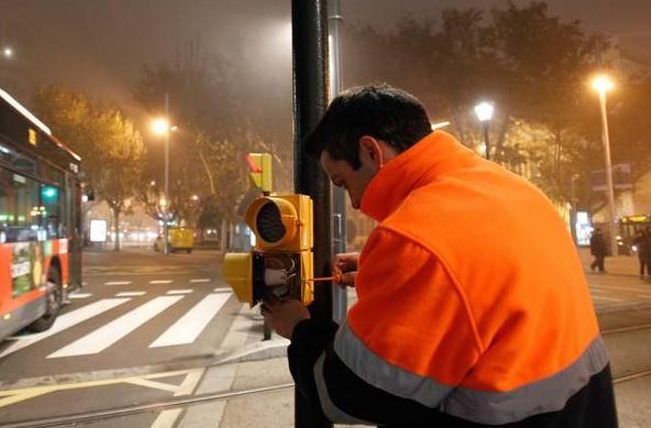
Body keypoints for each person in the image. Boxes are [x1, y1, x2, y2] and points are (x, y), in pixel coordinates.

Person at [261, 85, 617, 427]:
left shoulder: (413, 239)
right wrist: (386, 270)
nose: (353, 202)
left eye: (341, 182)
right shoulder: (508, 187)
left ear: (371, 152)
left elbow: (348, 393)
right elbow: (475, 271)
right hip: (581, 408)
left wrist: (299, 328)